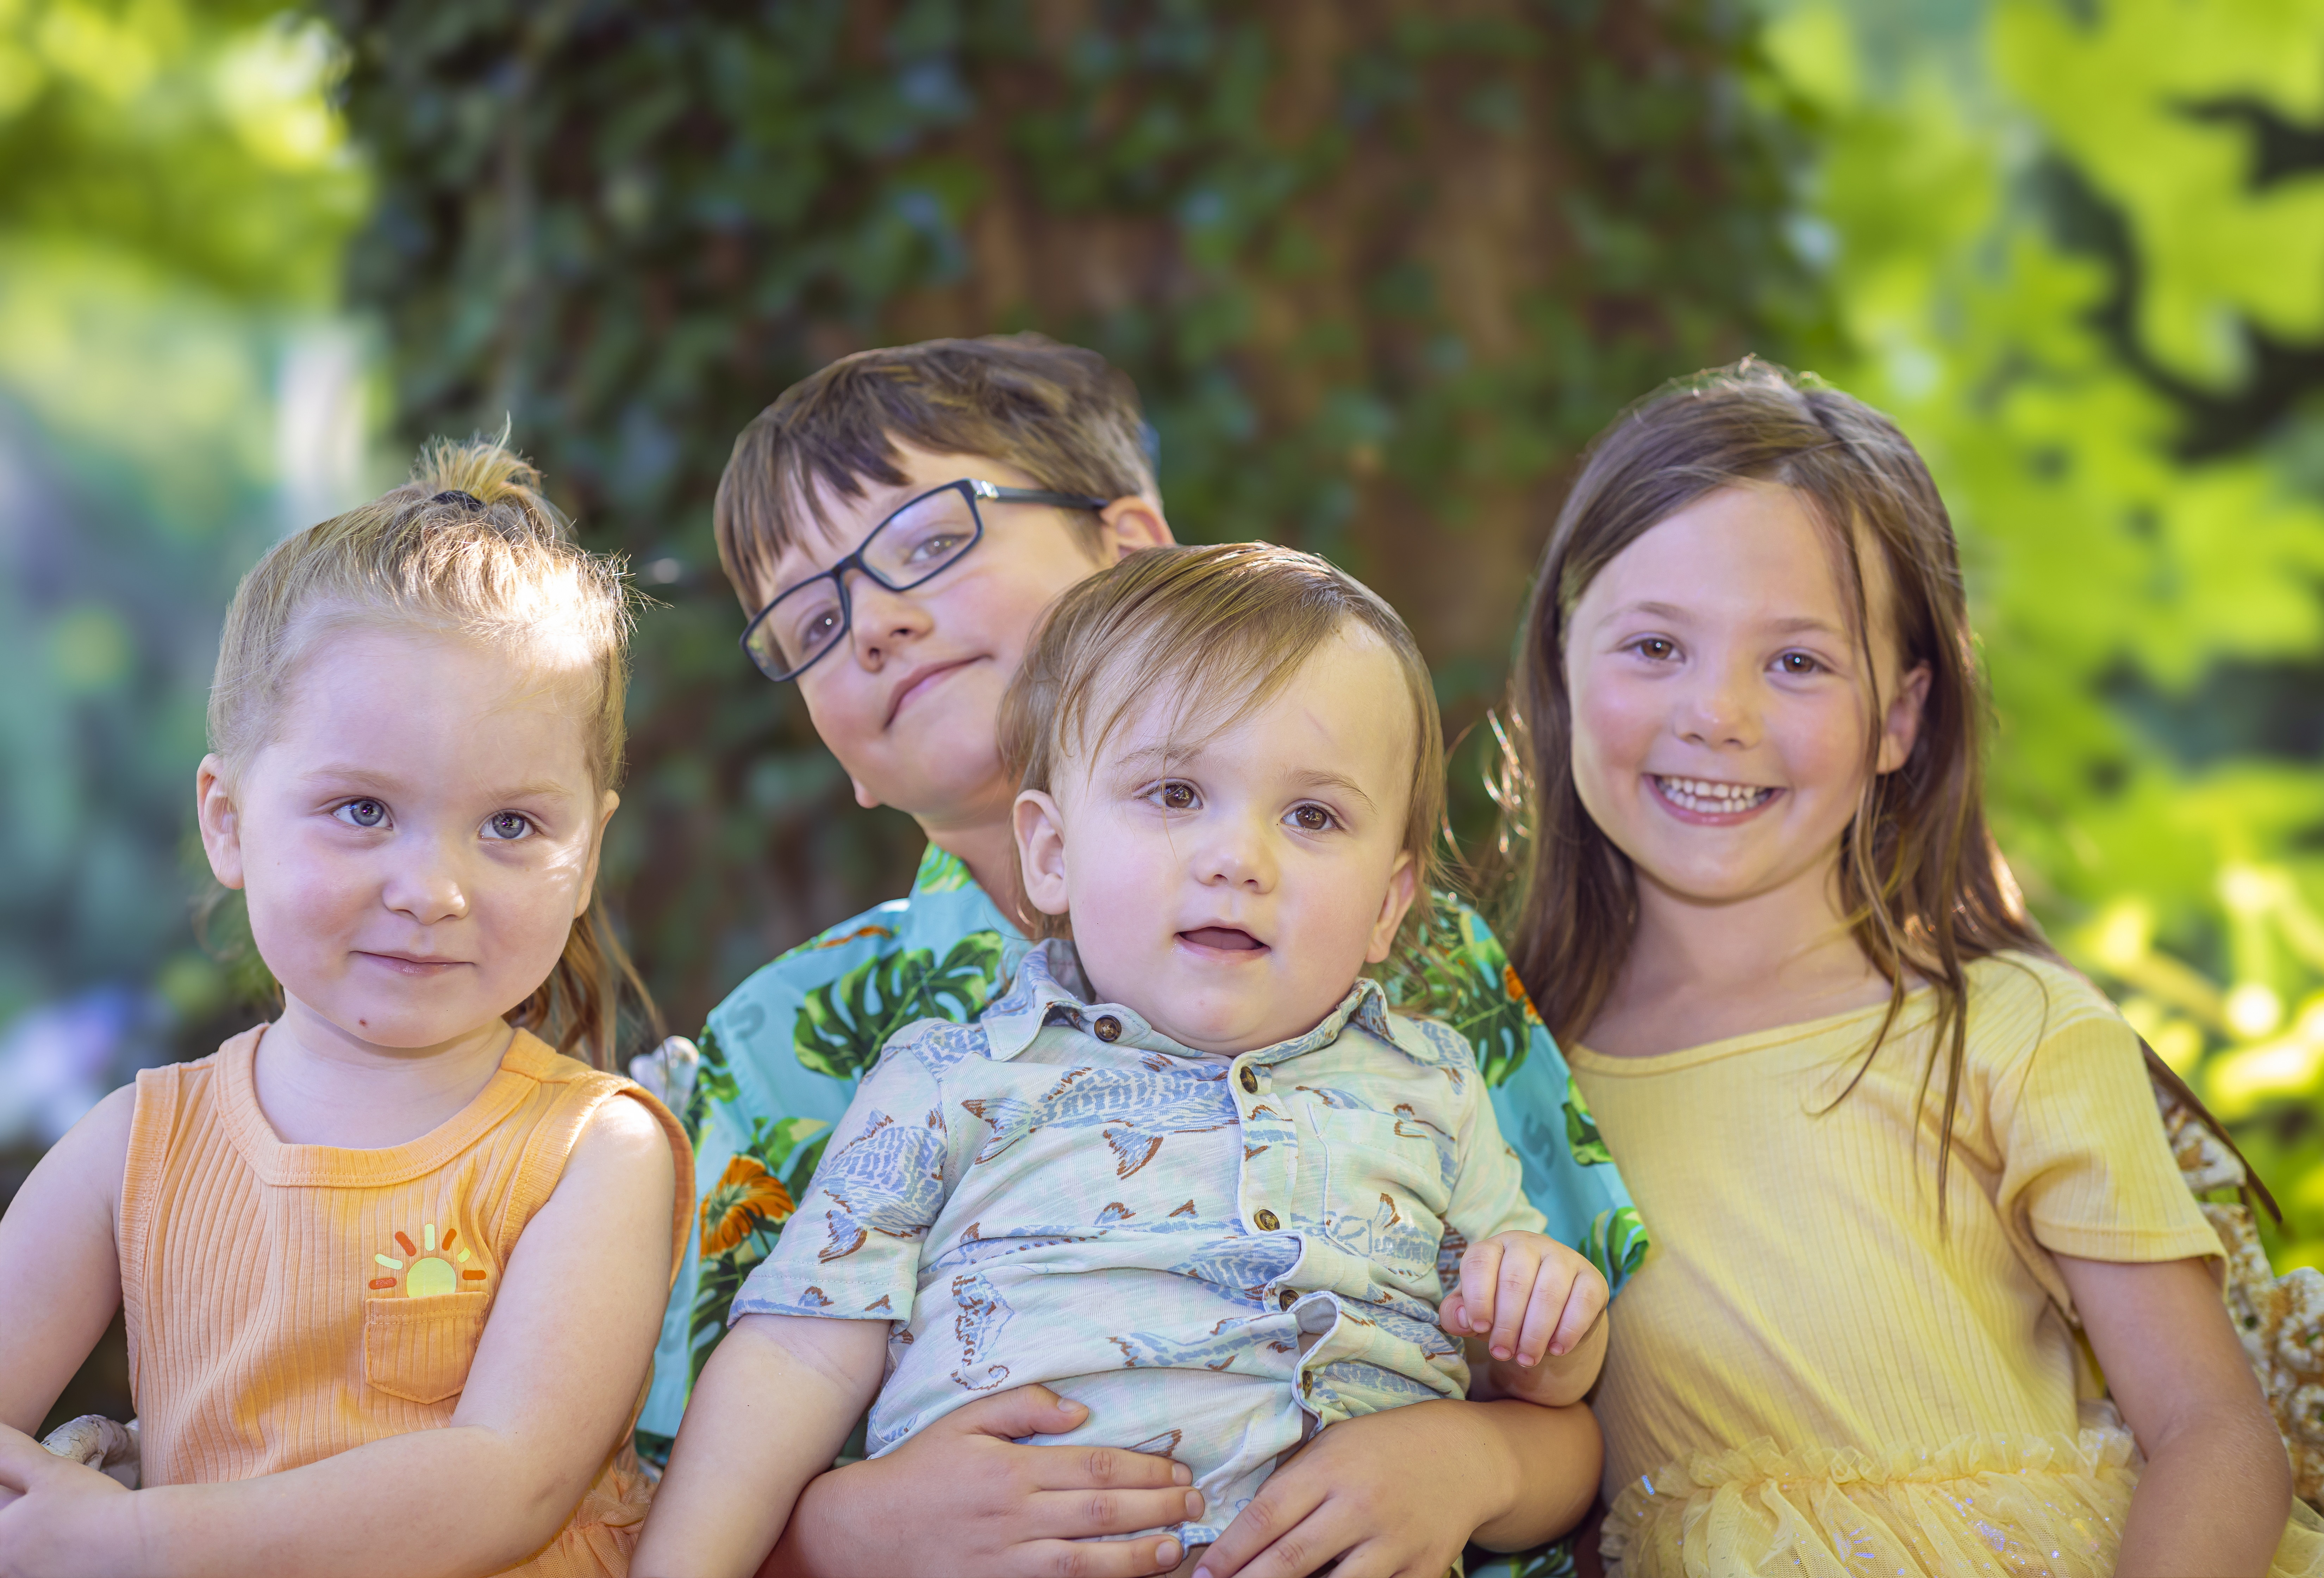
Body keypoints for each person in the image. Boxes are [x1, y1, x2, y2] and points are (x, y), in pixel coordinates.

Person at [635, 333, 1642, 1577]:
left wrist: (1476, 1459)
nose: (878, 623)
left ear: (1130, 551)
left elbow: (1571, 1365)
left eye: (927, 543)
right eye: (811, 617)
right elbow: (695, 1461)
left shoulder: (1412, 983)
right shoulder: (787, 1045)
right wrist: (850, 1536)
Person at [1492, 357, 2324, 1575]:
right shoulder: (1501, 1075)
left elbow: (2212, 1435)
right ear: (1567, 663)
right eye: (1656, 645)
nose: (1716, 713)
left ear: (1902, 717)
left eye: (1797, 663)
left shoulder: (2009, 1028)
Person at [0, 442, 693, 1576]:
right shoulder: (140, 1145)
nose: (433, 890)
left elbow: (506, 1482)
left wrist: (135, 1535)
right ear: (227, 822)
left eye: (513, 825)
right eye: (363, 809)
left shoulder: (592, 1152)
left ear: (588, 855)